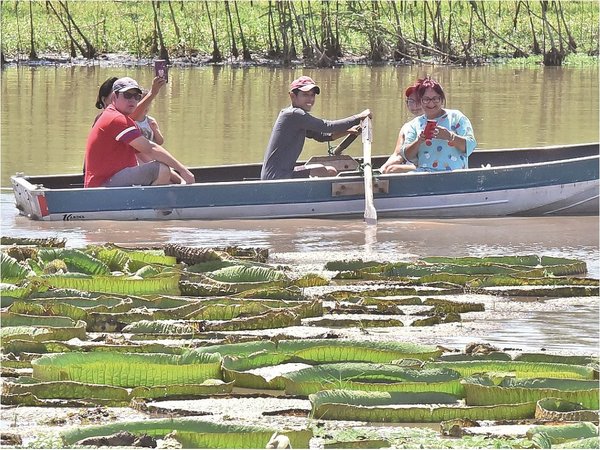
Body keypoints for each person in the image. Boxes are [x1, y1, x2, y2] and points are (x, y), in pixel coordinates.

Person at [84, 77, 194, 188]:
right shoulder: (115, 118)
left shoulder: (127, 121)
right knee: (161, 170)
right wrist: (183, 170)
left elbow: (147, 158)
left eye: (136, 97)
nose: (132, 100)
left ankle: (153, 203)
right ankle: (152, 204)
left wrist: (180, 180)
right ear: (114, 96)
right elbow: (150, 148)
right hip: (101, 187)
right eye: (127, 95)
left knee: (162, 170)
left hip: (111, 182)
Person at [261, 76, 371, 180]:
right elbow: (327, 126)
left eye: (312, 95)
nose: (310, 99)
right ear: (292, 96)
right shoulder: (293, 114)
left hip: (281, 174)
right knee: (329, 171)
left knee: (327, 170)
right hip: (278, 178)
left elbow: (322, 136)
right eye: (305, 95)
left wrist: (347, 131)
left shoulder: (295, 117)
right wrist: (358, 117)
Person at [401, 76, 476, 172]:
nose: (431, 104)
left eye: (435, 99)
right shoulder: (415, 124)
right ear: (420, 101)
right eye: (426, 99)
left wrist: (449, 136)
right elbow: (407, 155)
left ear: (442, 100)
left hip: (454, 174)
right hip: (424, 175)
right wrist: (419, 141)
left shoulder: (456, 117)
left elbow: (470, 145)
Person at [379, 82, 422, 174]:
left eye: (418, 100)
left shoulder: (437, 122)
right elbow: (398, 155)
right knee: (389, 169)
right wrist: (382, 169)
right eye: (411, 101)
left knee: (393, 170)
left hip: (429, 166)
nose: (415, 106)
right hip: (412, 166)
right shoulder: (406, 127)